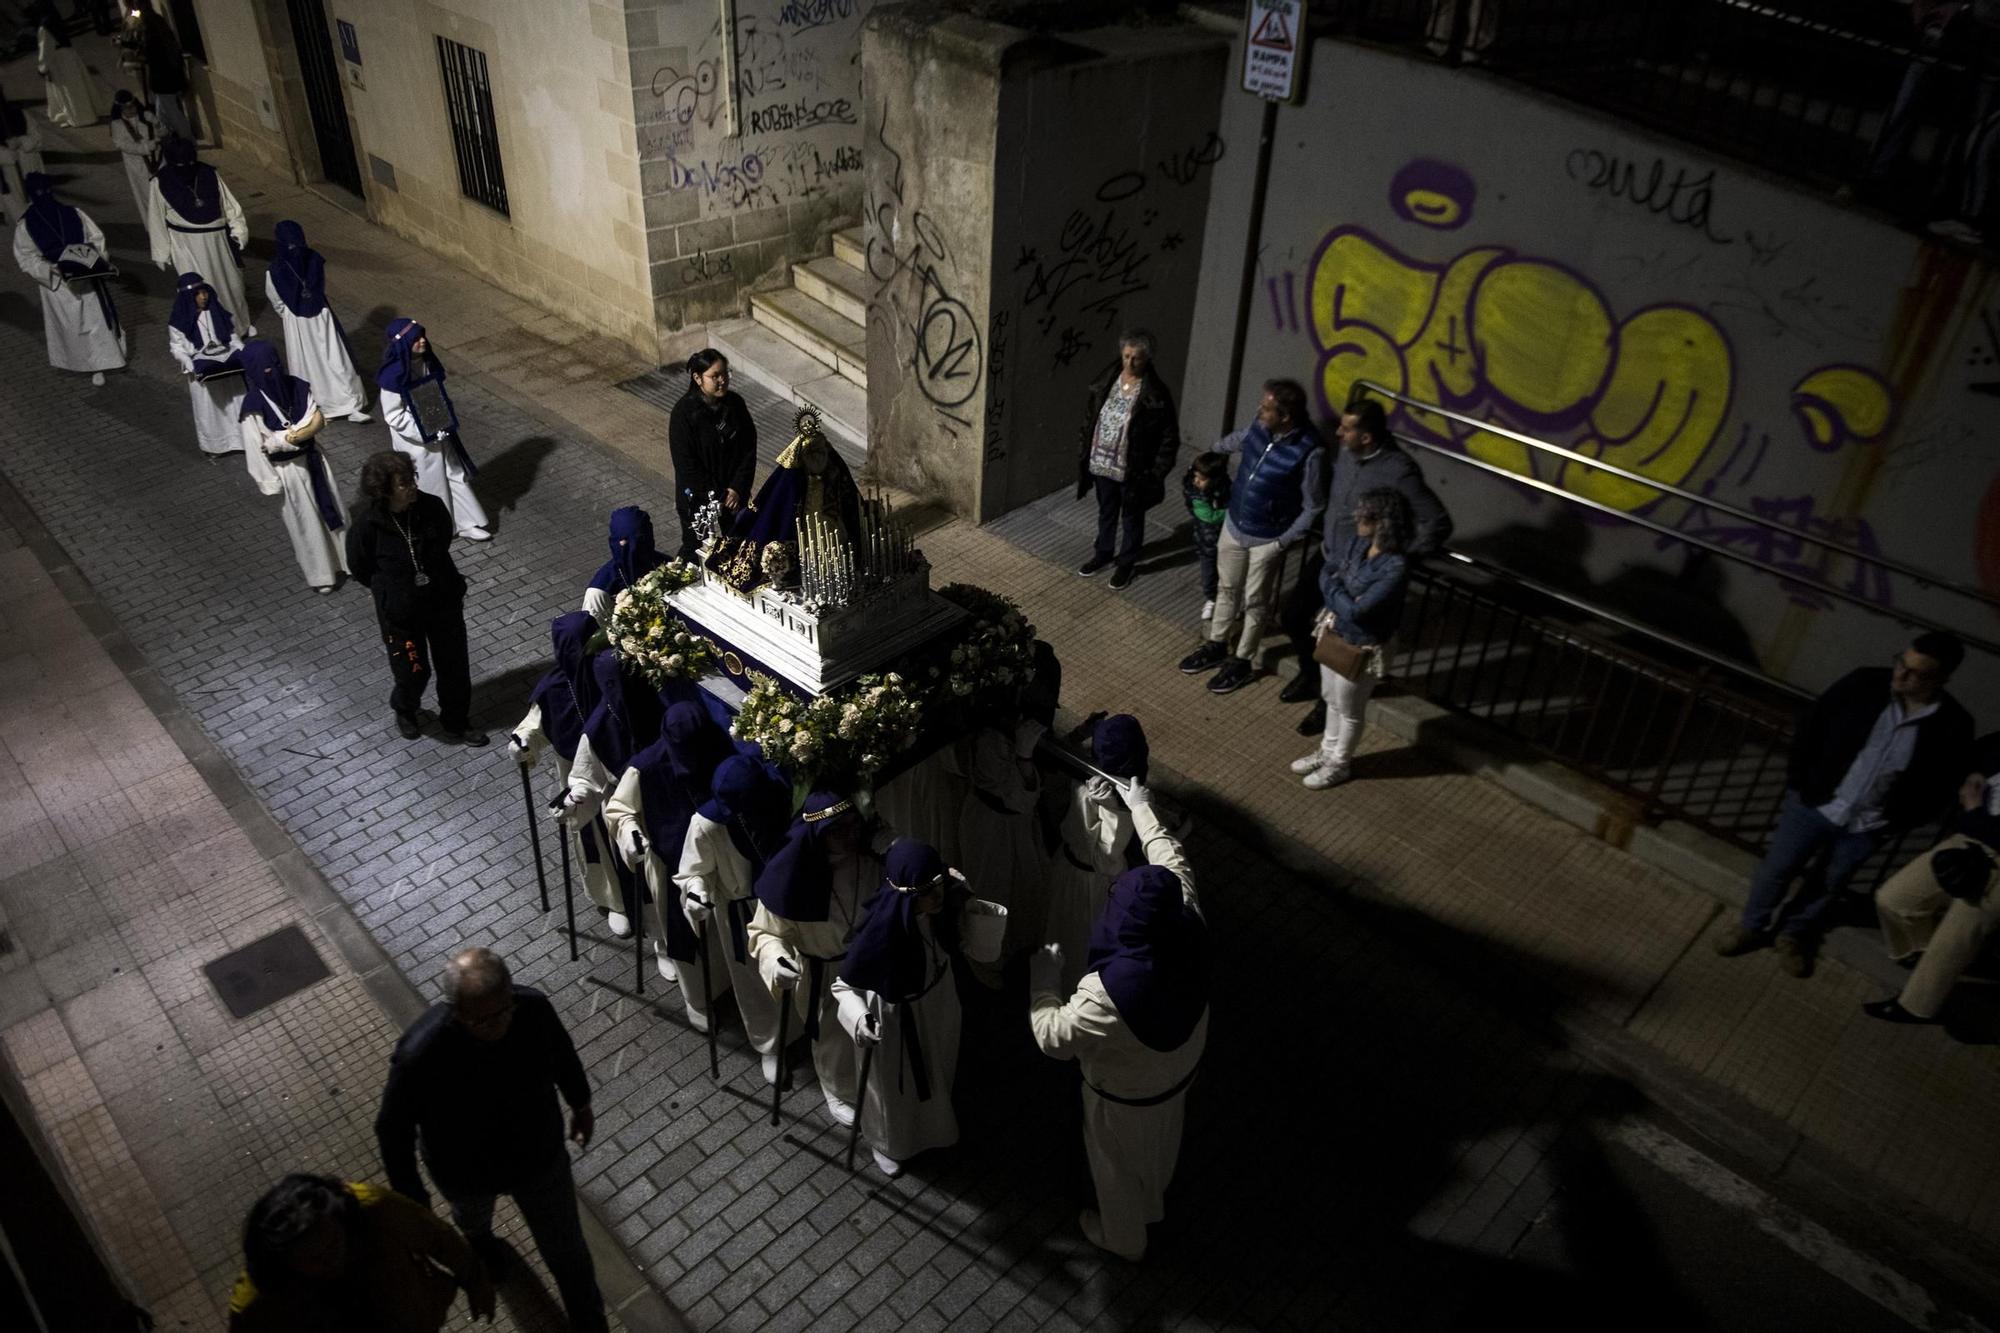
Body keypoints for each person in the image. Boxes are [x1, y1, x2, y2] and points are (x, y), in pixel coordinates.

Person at [375, 947, 607, 1333]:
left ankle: (590, 1324)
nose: (497, 1025)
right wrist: (415, 1203)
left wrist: (580, 1102)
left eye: (504, 1012)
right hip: (464, 1169)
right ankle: (481, 1243)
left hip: (537, 1156)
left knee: (568, 1253)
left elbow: (562, 1056)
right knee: (471, 1216)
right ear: (456, 1011)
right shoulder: (421, 1053)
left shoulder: (532, 1009)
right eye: (481, 1021)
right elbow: (392, 1129)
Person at [1715, 634, 1974, 977]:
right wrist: (1799, 783)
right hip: (1816, 803)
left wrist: (1894, 822)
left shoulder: (1953, 725)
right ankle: (1752, 925)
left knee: (1828, 884)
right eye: (1901, 663)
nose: (1900, 675)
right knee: (1776, 870)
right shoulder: (1864, 683)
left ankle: (1793, 934)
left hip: (1867, 824)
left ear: (1941, 679)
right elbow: (1812, 725)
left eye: (1916, 674)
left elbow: (1940, 785)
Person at [1030, 775, 1207, 1262]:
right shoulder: (1188, 916)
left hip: (1124, 1096)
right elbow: (1170, 857)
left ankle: (1125, 1236)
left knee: (1114, 1166)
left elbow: (1053, 1038)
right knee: (1159, 1151)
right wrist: (1141, 806)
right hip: (1178, 1075)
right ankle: (1152, 1204)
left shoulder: (1105, 991)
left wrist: (1044, 980)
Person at [1282, 399, 1453, 734]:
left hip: (1358, 569)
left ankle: (1326, 704)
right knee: (1293, 616)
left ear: (1367, 437)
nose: (1338, 432)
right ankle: (1310, 673)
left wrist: (1395, 558)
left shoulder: (1399, 470)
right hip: (1329, 553)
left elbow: (1437, 522)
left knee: (1343, 638)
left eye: (1347, 428)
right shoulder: (1348, 452)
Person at [1176, 379, 1328, 696]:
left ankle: (1242, 662)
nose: (1259, 410)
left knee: (1256, 602)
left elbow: (1314, 505)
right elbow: (1230, 443)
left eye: (1266, 407)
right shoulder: (1259, 428)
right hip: (1234, 526)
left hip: (1267, 538)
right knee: (1227, 588)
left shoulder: (1309, 451)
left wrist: (1283, 541)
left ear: (1285, 416)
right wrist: (1209, 458)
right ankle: (1216, 644)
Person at [833, 839, 966, 1177]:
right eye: (926, 892)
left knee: (940, 1069)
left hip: (938, 1001)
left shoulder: (942, 909)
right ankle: (888, 1142)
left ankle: (936, 1127)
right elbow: (844, 985)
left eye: (938, 887)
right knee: (892, 1088)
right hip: (896, 1016)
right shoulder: (882, 930)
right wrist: (860, 1018)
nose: (936, 898)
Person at [748, 792, 879, 1125]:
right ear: (818, 834)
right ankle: (838, 1089)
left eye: (853, 825)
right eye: (838, 830)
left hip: (868, 962)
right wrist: (777, 960)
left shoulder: (868, 858)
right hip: (824, 970)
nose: (849, 836)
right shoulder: (791, 876)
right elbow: (765, 933)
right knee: (833, 1040)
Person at [227, 1174, 494, 1332]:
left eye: (334, 1243)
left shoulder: (374, 1209)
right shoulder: (257, 1304)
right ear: (283, 1261)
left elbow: (436, 1236)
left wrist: (475, 1278)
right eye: (312, 1260)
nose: (332, 1260)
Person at [345, 450, 487, 745]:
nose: (411, 487)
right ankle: (405, 708)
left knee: (454, 667)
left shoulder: (431, 508)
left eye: (412, 479)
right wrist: (392, 589)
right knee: (412, 671)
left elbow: (443, 540)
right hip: (400, 613)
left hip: (442, 602)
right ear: (383, 490)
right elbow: (360, 567)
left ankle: (456, 722)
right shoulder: (366, 526)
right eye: (402, 483)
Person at [1866, 732, 2000, 1024]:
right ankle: (1917, 951)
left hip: (1988, 848)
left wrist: (1974, 811)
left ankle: (1916, 1006)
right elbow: (1978, 753)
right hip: (1970, 840)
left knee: (1956, 937)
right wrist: (1976, 774)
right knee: (1893, 898)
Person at [602, 700, 732, 993]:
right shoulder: (645, 766)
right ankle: (692, 991)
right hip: (667, 860)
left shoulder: (716, 750)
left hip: (713, 860)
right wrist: (630, 832)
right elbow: (620, 809)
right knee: (671, 924)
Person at [674, 754, 789, 1082]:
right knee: (753, 980)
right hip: (741, 910)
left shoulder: (778, 798)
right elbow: (692, 871)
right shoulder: (707, 823)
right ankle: (770, 1043)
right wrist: (696, 893)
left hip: (784, 901)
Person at [510, 612, 629, 927]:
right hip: (575, 777)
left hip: (616, 775)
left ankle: (648, 908)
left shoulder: (611, 671)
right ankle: (614, 901)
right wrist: (523, 741)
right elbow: (534, 723)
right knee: (592, 837)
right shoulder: (553, 686)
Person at [1291, 488, 1414, 791]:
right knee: (1330, 696)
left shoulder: (1395, 566)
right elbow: (1328, 569)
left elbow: (1359, 610)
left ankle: (1340, 762)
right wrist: (1341, 593)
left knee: (1349, 707)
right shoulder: (1359, 542)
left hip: (1361, 643)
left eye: (1366, 516)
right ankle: (1327, 750)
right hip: (1335, 630)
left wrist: (1334, 591)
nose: (1357, 518)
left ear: (1382, 523)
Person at [557, 651, 662, 938]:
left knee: (662, 885)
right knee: (636, 880)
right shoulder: (600, 726)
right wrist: (577, 796)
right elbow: (583, 774)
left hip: (662, 809)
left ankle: (665, 944)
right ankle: (647, 928)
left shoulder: (657, 709)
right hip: (623, 811)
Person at [1074, 329, 1182, 592]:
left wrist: (1156, 473)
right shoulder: (1106, 380)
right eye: (1126, 356)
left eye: (1137, 358)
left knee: (1132, 516)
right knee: (1106, 510)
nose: (1130, 363)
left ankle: (1127, 562)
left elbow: (1169, 437)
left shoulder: (1155, 393)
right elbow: (1090, 417)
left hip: (1133, 469)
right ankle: (1103, 552)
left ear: (1147, 360)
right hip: (1101, 462)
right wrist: (1084, 448)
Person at [1043, 714, 1144, 995]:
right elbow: (1107, 856)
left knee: (1065, 932)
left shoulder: (1092, 782)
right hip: (1092, 882)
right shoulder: (1105, 790)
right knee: (1081, 941)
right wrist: (1113, 809)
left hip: (1072, 870)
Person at [237, 339, 348, 593]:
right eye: (266, 369)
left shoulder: (298, 386)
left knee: (333, 508)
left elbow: (316, 420)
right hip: (287, 473)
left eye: (275, 364)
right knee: (305, 522)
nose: (273, 372)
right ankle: (322, 575)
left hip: (314, 460)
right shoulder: (253, 405)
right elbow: (256, 446)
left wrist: (282, 439)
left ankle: (346, 561)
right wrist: (270, 478)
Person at [378, 317, 489, 540]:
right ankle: (439, 528)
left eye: (422, 336)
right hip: (416, 439)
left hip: (437, 426)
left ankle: (466, 521)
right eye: (415, 338)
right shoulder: (392, 376)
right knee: (431, 481)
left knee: (453, 471)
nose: (422, 341)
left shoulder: (426, 362)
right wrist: (423, 431)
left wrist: (442, 416)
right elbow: (393, 415)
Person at [11, 172, 123, 384]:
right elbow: (26, 258)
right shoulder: (26, 225)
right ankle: (85, 364)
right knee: (72, 326)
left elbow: (96, 239)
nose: (44, 195)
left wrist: (96, 261)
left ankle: (101, 364)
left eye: (46, 191)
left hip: (86, 277)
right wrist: (50, 270)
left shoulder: (74, 213)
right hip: (58, 284)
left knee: (96, 321)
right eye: (39, 193)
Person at [265, 220, 370, 421]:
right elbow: (276, 299)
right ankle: (320, 407)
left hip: (316, 316)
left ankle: (350, 404)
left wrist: (289, 314)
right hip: (300, 321)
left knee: (336, 359)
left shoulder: (308, 260)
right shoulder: (280, 268)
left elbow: (276, 300)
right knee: (311, 364)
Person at [149, 138, 254, 331]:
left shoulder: (208, 173)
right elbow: (156, 219)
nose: (186, 168)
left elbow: (230, 207)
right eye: (180, 164)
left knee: (231, 286)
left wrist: (238, 234)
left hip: (219, 242)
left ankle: (238, 327)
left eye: (189, 163)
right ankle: (209, 334)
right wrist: (162, 252)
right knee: (199, 289)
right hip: (187, 245)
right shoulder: (159, 182)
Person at [669, 348, 756, 561]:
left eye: (725, 374)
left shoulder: (735, 404)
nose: (722, 381)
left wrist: (737, 487)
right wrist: (720, 494)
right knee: (696, 549)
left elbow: (748, 448)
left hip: (734, 496)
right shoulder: (684, 414)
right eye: (714, 376)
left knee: (741, 544)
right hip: (698, 498)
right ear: (698, 378)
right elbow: (686, 464)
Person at [165, 271, 246, 456]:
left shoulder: (216, 310)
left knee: (236, 401)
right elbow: (177, 348)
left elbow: (231, 335)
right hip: (203, 367)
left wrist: (241, 350)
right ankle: (217, 446)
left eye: (205, 292)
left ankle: (242, 440)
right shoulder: (179, 321)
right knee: (212, 408)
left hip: (226, 366)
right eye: (198, 294)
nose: (204, 297)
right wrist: (190, 363)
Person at [582, 505, 667, 623]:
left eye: (641, 541)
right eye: (627, 544)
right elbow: (594, 634)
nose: (634, 550)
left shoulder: (665, 565)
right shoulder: (599, 592)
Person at [35, 4, 103, 128]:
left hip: (59, 60)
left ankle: (80, 118)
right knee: (79, 86)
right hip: (69, 55)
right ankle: (89, 113)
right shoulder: (55, 19)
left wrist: (42, 68)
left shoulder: (44, 27)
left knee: (69, 91)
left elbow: (45, 49)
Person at [1181, 450, 1230, 621]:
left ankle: (1224, 601)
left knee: (1228, 575)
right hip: (1208, 542)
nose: (1196, 481)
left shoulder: (1223, 486)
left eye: (1201, 479)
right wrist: (1231, 513)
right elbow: (1209, 516)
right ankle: (1212, 598)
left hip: (1224, 540)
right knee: (1209, 575)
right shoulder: (1197, 495)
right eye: (1195, 477)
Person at [133, 1, 191, 140]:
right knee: (161, 113)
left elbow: (150, 53)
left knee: (171, 112)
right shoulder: (157, 21)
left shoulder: (149, 27)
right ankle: (170, 138)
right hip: (170, 74)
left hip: (163, 78)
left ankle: (187, 140)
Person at [107, 89, 158, 226]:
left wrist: (157, 125)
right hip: (137, 166)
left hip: (157, 161)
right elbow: (124, 145)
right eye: (126, 108)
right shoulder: (117, 125)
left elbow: (161, 129)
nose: (131, 110)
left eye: (132, 106)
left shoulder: (146, 116)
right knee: (147, 195)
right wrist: (146, 147)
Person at [0, 94, 43, 226]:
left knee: (40, 208)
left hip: (29, 167)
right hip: (8, 178)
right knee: (21, 217)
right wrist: (6, 154)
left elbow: (38, 138)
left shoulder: (19, 114)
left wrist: (21, 141)